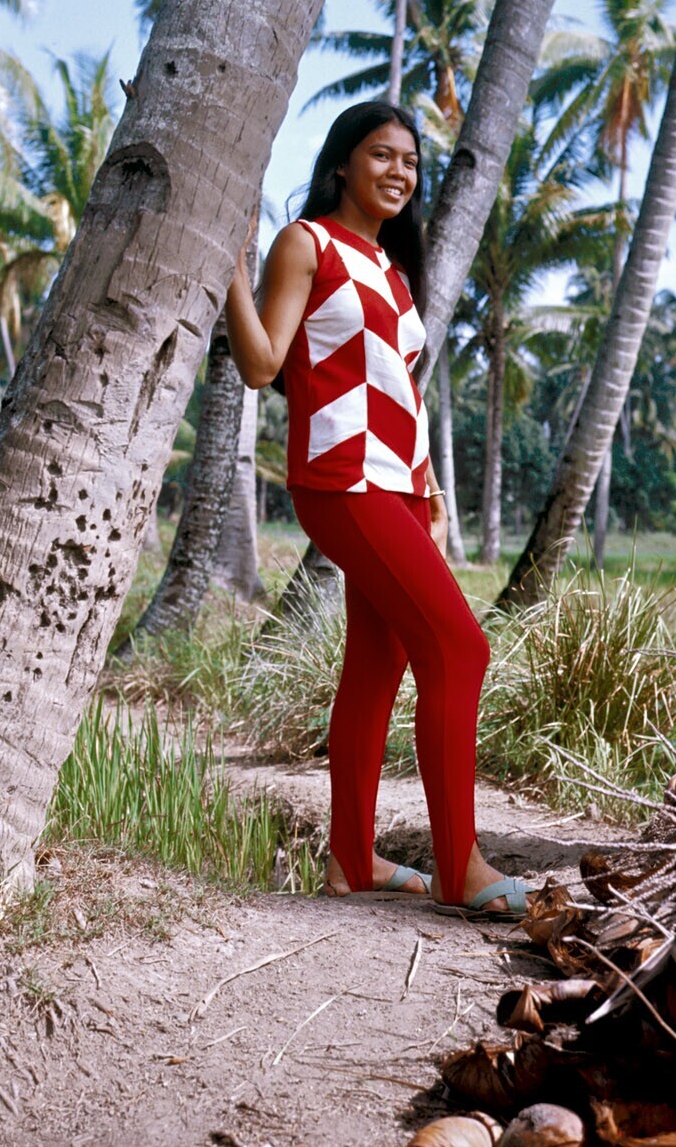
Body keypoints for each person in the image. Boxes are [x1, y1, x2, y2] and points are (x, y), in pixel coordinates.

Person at [224, 100, 528, 917]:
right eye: (382, 155)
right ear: (342, 163)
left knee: (377, 663)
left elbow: (400, 389)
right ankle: (460, 868)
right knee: (460, 649)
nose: (400, 171)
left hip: (397, 484)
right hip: (342, 477)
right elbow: (262, 364)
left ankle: (352, 860)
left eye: (411, 160)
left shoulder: (390, 267)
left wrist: (428, 491)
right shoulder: (307, 243)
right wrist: (229, 268)